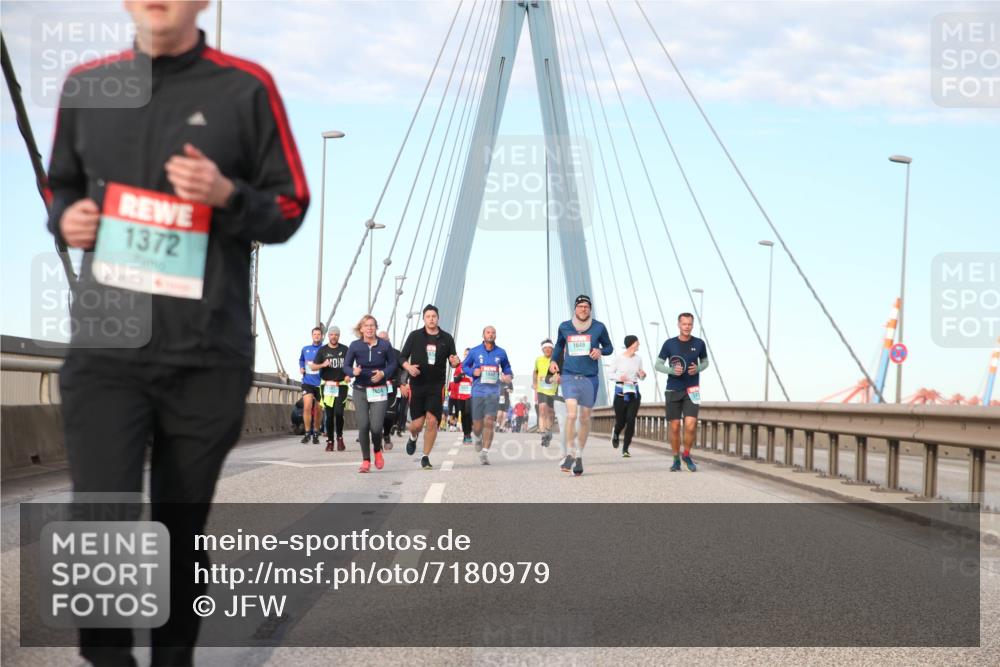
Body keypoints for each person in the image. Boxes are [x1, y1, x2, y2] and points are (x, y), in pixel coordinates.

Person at [46, 1, 309, 664]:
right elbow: (62, 187)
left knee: (178, 529)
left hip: (206, 356)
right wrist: (66, 219)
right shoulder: (87, 86)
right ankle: (107, 657)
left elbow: (289, 205)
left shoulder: (246, 88)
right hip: (107, 351)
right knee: (100, 518)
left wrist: (227, 195)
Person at [550, 294, 613, 476]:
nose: (583, 309)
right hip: (569, 375)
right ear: (575, 309)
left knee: (585, 418)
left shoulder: (599, 327)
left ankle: (578, 455)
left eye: (586, 306)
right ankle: (570, 453)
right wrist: (553, 361)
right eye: (580, 306)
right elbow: (558, 346)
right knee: (571, 414)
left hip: (590, 378)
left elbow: (609, 348)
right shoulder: (565, 326)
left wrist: (600, 351)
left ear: (590, 309)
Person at [400, 305, 460, 469]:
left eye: (434, 316)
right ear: (424, 319)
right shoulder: (415, 336)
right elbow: (402, 357)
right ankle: (413, 437)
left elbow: (453, 360)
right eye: (428, 316)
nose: (431, 319)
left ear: (438, 318)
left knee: (432, 421)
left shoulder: (447, 338)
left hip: (436, 386)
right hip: (417, 385)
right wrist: (408, 367)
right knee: (417, 425)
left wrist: (455, 362)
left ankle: (425, 457)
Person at [656, 312, 708, 472]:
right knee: (675, 427)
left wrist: (698, 368)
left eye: (690, 324)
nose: (687, 327)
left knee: (691, 425)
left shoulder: (699, 343)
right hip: (673, 389)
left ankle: (686, 455)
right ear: (679, 325)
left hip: (692, 390)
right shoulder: (669, 344)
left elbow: (705, 362)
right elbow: (658, 365)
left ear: (692, 325)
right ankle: (675, 459)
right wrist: (671, 370)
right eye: (684, 324)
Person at [345, 316, 398, 472]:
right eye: (366, 326)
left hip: (379, 390)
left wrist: (383, 373)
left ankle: (377, 451)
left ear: (376, 327)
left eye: (372, 325)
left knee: (376, 427)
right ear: (361, 329)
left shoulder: (385, 345)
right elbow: (346, 366)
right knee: (363, 426)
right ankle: (366, 461)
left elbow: (393, 364)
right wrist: (353, 372)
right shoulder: (355, 346)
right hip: (360, 389)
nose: (369, 328)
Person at [462, 326, 513, 465]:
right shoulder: (474, 351)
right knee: (477, 425)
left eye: (493, 333)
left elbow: (507, 368)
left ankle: (484, 453)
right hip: (478, 392)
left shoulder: (501, 352)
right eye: (488, 332)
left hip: (493, 392)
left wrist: (508, 375)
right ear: (483, 335)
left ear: (496, 335)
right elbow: (464, 366)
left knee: (489, 421)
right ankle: (477, 437)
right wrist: (473, 372)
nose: (491, 334)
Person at [311, 326, 349, 451]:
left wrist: (348, 375)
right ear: (328, 336)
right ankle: (330, 441)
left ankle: (340, 437)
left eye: (336, 335)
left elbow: (349, 366)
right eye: (332, 334)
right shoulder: (323, 350)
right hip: (327, 386)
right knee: (329, 414)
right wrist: (323, 364)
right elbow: (313, 367)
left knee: (339, 413)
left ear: (339, 336)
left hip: (341, 385)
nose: (334, 337)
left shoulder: (345, 349)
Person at [609, 335, 647, 457]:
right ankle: (616, 432)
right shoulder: (618, 359)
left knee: (631, 420)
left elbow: (640, 376)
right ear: (631, 344)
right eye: (637, 342)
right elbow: (610, 374)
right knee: (621, 422)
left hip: (634, 394)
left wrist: (642, 375)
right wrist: (619, 377)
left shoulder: (638, 359)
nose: (639, 344)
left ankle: (625, 449)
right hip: (620, 394)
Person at [299, 326, 324, 444]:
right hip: (307, 382)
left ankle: (316, 433)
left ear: (322, 336)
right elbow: (301, 360)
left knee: (318, 410)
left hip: (320, 383)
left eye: (319, 334)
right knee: (307, 406)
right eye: (315, 334)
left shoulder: (325, 349)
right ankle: (307, 433)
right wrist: (301, 367)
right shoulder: (305, 349)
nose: (317, 336)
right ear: (312, 336)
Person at [377, 330, 401, 449]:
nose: (382, 342)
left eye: (384, 340)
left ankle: (386, 434)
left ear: (389, 341)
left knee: (389, 415)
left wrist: (401, 383)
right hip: (376, 387)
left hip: (391, 386)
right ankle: (377, 439)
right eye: (380, 339)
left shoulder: (397, 354)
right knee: (377, 414)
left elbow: (403, 369)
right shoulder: (373, 352)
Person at [533, 339, 559, 446]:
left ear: (552, 349)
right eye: (545, 348)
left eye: (549, 348)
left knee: (551, 413)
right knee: (542, 410)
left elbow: (559, 373)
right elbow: (535, 372)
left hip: (552, 390)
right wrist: (535, 383)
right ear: (542, 349)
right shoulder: (538, 360)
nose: (547, 349)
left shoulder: (556, 360)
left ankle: (548, 430)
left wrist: (555, 378)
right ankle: (543, 435)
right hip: (541, 389)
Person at [448, 348, 474, 444]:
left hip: (471, 394)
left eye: (468, 354)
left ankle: (469, 433)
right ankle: (466, 434)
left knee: (468, 412)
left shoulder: (475, 365)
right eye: (465, 354)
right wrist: (463, 375)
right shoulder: (460, 366)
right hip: (461, 394)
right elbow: (455, 380)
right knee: (463, 414)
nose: (467, 356)